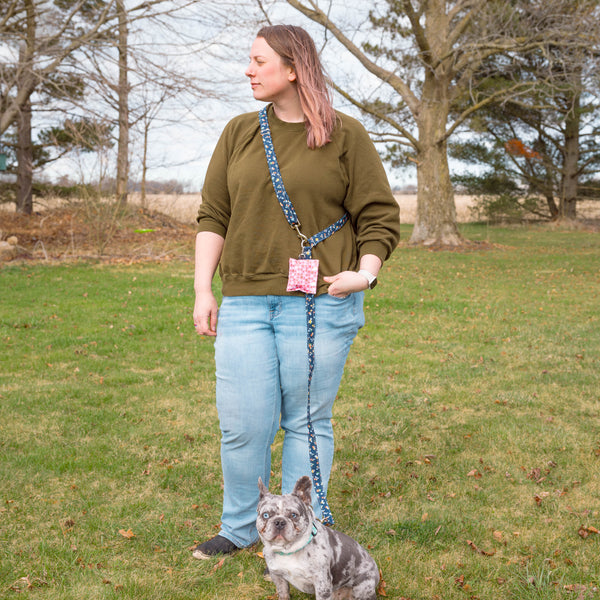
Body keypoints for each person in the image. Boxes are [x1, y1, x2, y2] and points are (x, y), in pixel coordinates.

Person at [191, 24, 400, 559]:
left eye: (258, 60)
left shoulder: (344, 135)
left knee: (306, 422)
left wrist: (366, 272)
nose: (248, 69)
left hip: (321, 304)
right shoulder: (239, 132)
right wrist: (203, 290)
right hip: (243, 302)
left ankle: (305, 529)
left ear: (292, 67)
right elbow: (213, 214)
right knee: (243, 426)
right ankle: (241, 528)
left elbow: (378, 215)